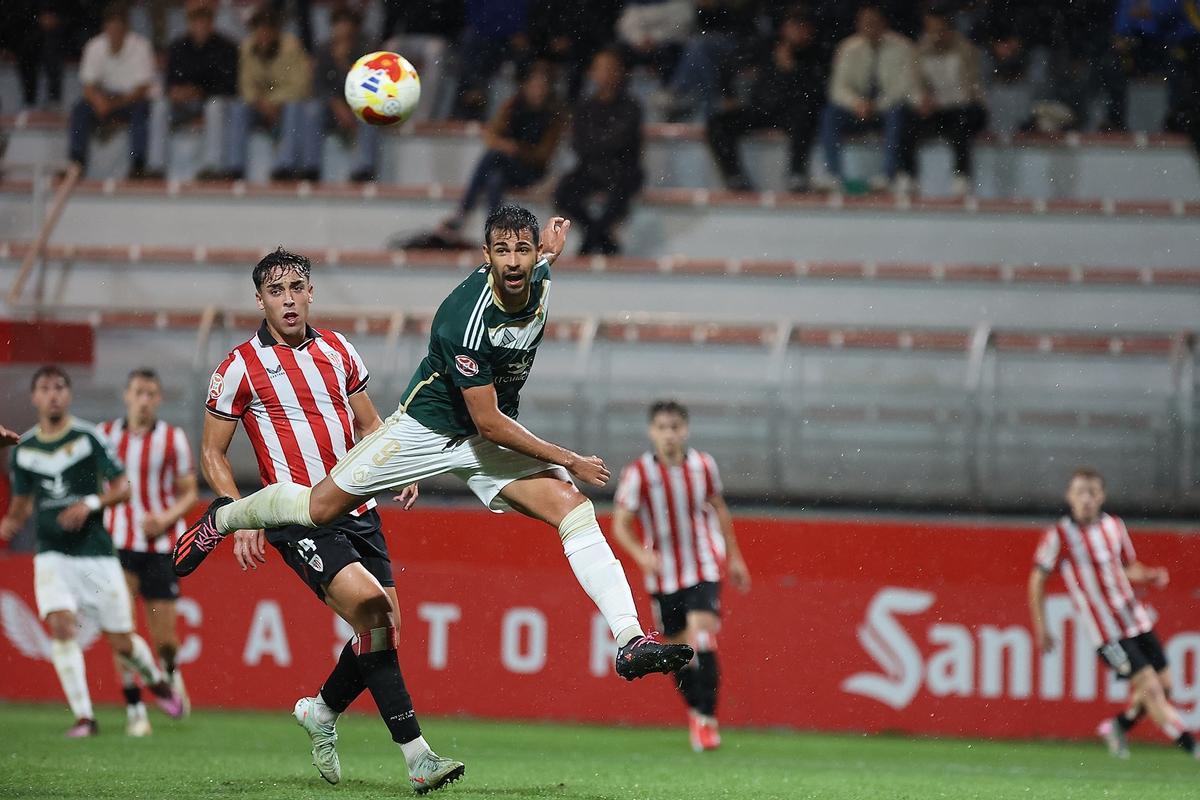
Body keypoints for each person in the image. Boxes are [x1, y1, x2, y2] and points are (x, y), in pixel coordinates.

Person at [174, 205, 694, 689]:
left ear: (535, 255)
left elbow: (491, 416)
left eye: (523, 251)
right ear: (485, 257)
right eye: (502, 252)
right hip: (427, 430)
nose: (513, 263)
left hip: (480, 435)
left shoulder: (540, 275)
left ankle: (629, 639)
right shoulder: (462, 319)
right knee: (317, 508)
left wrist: (553, 251)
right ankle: (222, 519)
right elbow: (488, 422)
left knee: (573, 510)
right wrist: (567, 457)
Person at [197, 247, 463, 791]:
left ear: (311, 292)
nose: (289, 300)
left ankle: (321, 710)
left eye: (297, 287)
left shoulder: (340, 351)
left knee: (384, 629)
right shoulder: (238, 367)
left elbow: (370, 425)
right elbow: (212, 454)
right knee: (372, 609)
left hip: (358, 507)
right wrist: (239, 515)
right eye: (276, 291)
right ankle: (418, 757)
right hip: (298, 516)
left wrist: (400, 463)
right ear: (260, 300)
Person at [0, 366, 184, 738]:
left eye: (59, 388)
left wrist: (89, 503)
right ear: (34, 397)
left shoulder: (89, 438)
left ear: (68, 395)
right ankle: (86, 717)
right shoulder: (24, 449)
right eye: (45, 389)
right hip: (52, 554)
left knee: (123, 641)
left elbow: (123, 488)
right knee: (61, 626)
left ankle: (157, 682)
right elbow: (20, 507)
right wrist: (8, 525)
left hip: (98, 552)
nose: (52, 395)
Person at [1029, 467, 1199, 760]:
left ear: (1102, 496)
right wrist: (1040, 626)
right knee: (1150, 687)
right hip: (1106, 634)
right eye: (1080, 491)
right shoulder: (1060, 535)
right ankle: (1192, 747)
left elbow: (1126, 566)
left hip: (1135, 618)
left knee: (1166, 687)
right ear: (1069, 496)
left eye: (1092, 492)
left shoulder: (1113, 526)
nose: (1086, 498)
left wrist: (1148, 576)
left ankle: (1118, 726)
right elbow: (1037, 579)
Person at [611, 400, 751, 752]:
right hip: (664, 576)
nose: (669, 434)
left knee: (703, 635)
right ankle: (696, 714)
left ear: (684, 430)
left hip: (703, 564)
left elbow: (719, 509)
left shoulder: (704, 466)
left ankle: (708, 720)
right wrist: (641, 554)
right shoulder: (638, 473)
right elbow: (621, 524)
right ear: (652, 432)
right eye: (662, 427)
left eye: (675, 427)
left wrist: (733, 557)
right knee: (680, 651)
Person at [97, 369, 197, 735]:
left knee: (165, 641)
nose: (144, 399)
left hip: (161, 547)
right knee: (122, 630)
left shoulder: (173, 439)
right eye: (139, 392)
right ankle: (135, 710)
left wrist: (165, 517)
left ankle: (169, 673)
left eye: (151, 393)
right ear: (126, 395)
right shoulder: (104, 436)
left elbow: (189, 491)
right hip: (116, 544)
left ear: (159, 399)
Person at [704, 8, 825, 192]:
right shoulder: (767, 46)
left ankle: (796, 173)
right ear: (785, 28)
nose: (798, 32)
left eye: (803, 28)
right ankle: (735, 177)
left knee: (805, 116)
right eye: (794, 26)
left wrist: (792, 71)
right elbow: (732, 64)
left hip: (792, 113)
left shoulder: (817, 55)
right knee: (718, 122)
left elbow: (818, 95)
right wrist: (728, 94)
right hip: (761, 109)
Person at [441, 62, 566, 231]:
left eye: (542, 86)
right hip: (507, 165)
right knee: (494, 179)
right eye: (534, 85)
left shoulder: (553, 116)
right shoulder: (513, 105)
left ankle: (464, 211)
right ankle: (496, 228)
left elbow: (543, 155)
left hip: (532, 171)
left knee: (493, 156)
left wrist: (516, 149)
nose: (538, 90)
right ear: (526, 85)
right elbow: (492, 133)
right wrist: (505, 146)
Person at [815, 4, 918, 193]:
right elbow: (837, 88)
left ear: (883, 23)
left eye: (874, 22)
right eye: (865, 23)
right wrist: (857, 103)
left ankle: (888, 176)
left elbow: (903, 88)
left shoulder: (903, 47)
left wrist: (876, 105)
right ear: (858, 24)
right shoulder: (848, 48)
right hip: (858, 110)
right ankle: (833, 175)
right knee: (830, 114)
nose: (869, 27)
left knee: (899, 113)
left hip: (887, 110)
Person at [553, 50, 644, 255]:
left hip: (623, 168)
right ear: (592, 73)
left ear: (620, 72)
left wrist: (597, 145)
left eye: (610, 69)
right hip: (591, 168)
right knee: (563, 192)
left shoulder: (631, 106)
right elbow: (579, 143)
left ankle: (591, 240)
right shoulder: (585, 106)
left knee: (622, 191)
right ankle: (600, 237)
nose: (605, 74)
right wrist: (601, 146)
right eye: (601, 69)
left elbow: (622, 141)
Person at [150, 0, 239, 181]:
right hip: (182, 106)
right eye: (195, 22)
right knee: (160, 106)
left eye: (204, 21)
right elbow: (169, 83)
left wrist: (199, 92)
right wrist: (177, 93)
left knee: (215, 106)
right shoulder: (177, 46)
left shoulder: (225, 47)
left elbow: (229, 86)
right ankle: (156, 166)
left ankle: (212, 166)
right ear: (189, 24)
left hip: (212, 104)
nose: (200, 26)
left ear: (211, 23)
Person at [221, 6, 313, 181]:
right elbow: (245, 85)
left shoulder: (291, 47)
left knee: (295, 107)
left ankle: (286, 165)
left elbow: (300, 86)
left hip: (285, 107)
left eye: (267, 30)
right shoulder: (247, 48)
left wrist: (273, 101)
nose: (263, 35)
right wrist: (261, 103)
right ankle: (235, 167)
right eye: (258, 30)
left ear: (275, 31)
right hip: (259, 107)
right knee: (238, 108)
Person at [67, 3, 157, 179]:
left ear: (126, 27)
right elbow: (88, 86)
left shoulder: (141, 46)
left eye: (119, 26)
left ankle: (137, 165)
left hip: (130, 99)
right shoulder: (94, 46)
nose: (115, 30)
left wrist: (113, 104)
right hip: (104, 97)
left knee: (142, 110)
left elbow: (142, 89)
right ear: (105, 27)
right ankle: (76, 162)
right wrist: (99, 101)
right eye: (111, 25)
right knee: (80, 109)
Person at [909, 6, 988, 197]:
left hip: (967, 108)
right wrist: (922, 100)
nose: (935, 35)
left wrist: (939, 101)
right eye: (931, 30)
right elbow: (913, 85)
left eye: (939, 30)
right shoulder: (919, 51)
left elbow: (970, 91)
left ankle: (962, 176)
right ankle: (908, 176)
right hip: (937, 111)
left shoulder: (966, 50)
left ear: (949, 29)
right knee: (906, 120)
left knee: (960, 121)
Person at [301, 8, 381, 183]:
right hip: (331, 108)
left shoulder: (367, 50)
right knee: (312, 110)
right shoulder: (323, 50)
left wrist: (344, 64)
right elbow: (319, 86)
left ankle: (364, 167)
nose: (342, 31)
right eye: (339, 25)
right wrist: (336, 104)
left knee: (371, 111)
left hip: (358, 106)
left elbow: (370, 87)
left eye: (347, 26)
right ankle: (311, 167)